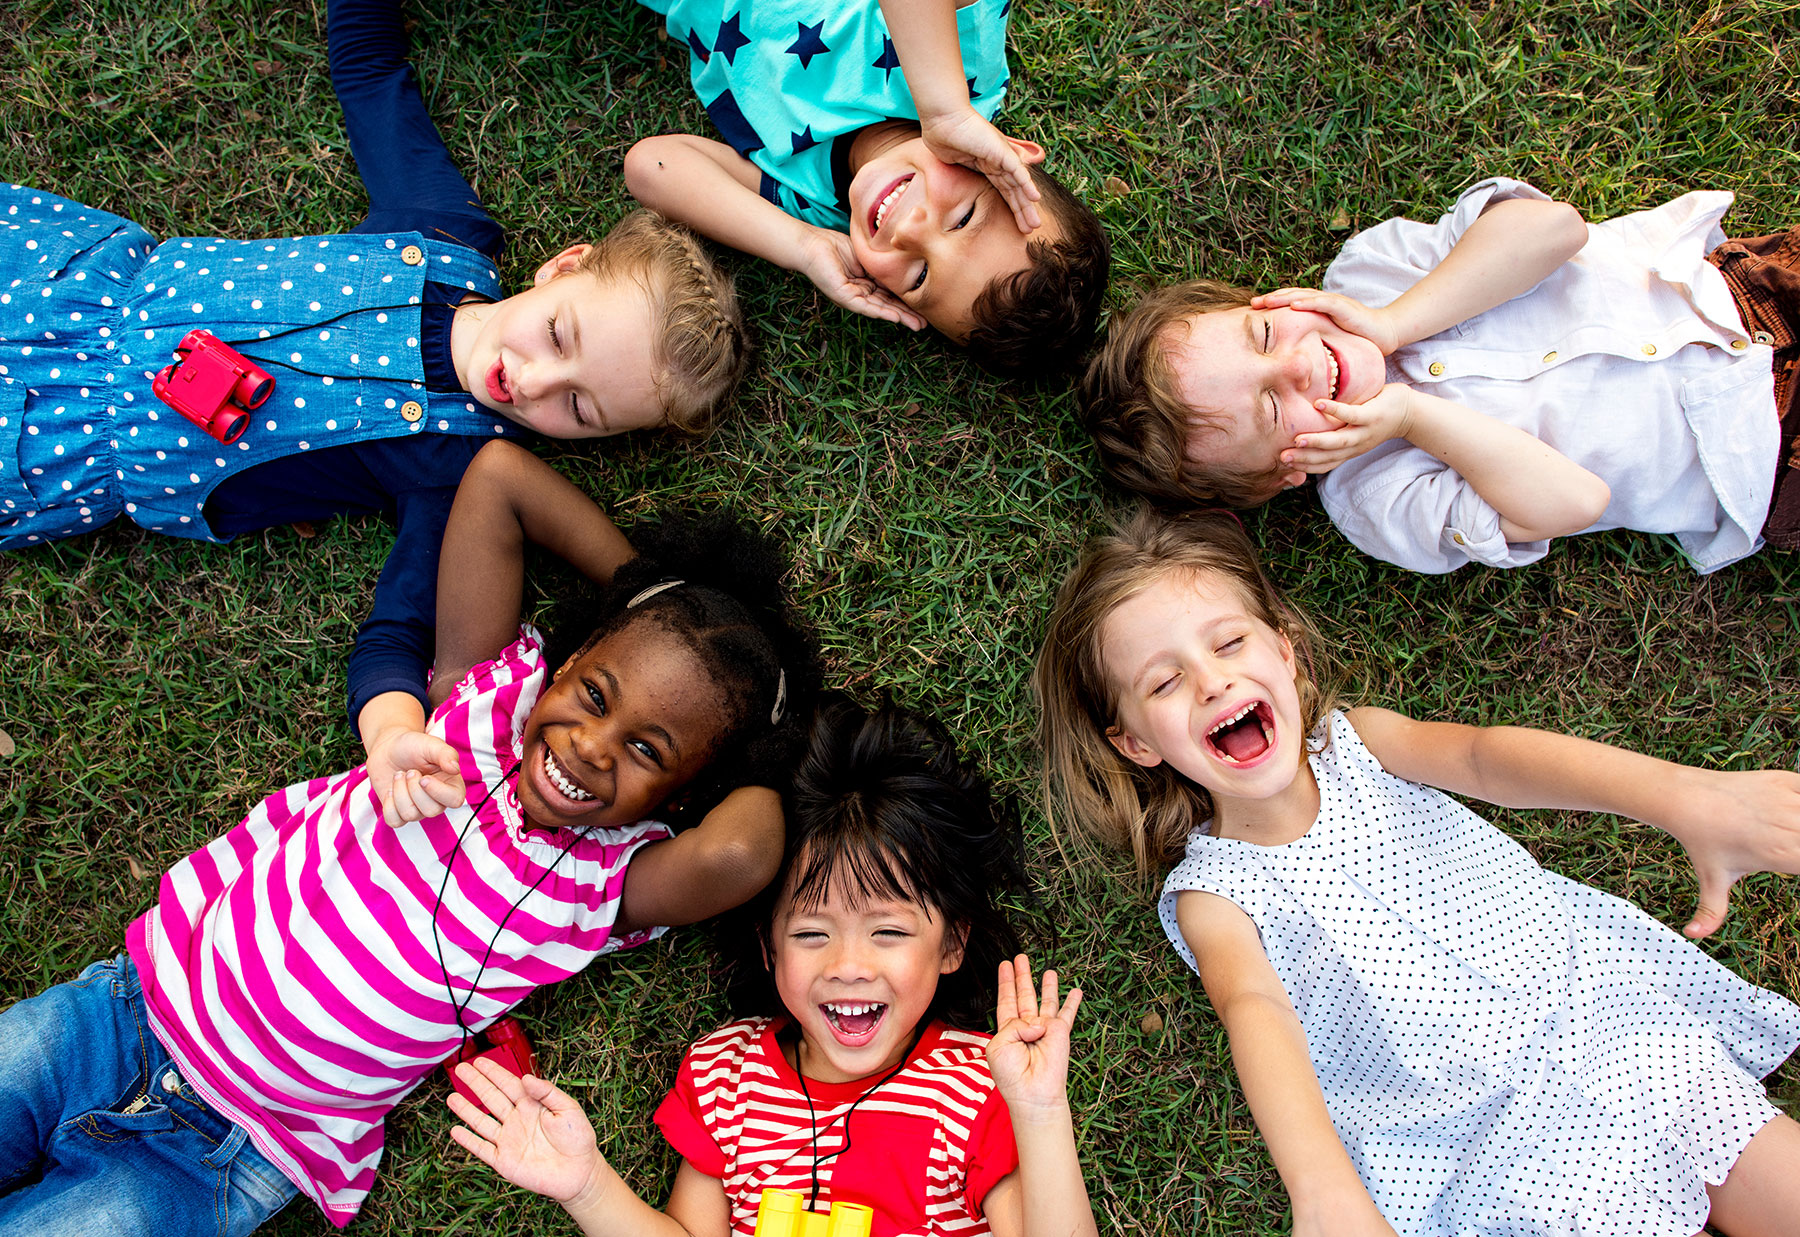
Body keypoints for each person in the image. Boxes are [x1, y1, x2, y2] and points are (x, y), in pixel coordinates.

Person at [0, 440, 820, 1237]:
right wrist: (658, 600)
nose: (590, 745)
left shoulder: (607, 887)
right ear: (568, 665)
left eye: (648, 749)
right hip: (117, 1014)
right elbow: (500, 479)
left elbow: (745, 848)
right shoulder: (475, 704)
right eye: (596, 695)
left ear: (682, 798)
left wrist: (776, 733)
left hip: (227, 1153)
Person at [1034, 508, 1800, 1237]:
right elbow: (1255, 1010)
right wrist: (1324, 1193)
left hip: (1610, 1024)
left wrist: (1684, 797)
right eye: (1164, 681)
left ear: (1286, 652)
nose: (1211, 679)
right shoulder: (1214, 895)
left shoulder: (1361, 743)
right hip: (1510, 1151)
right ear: (1134, 742)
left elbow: (1486, 755)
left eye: (1229, 642)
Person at [0, 0, 750, 758]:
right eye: (558, 332)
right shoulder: (442, 230)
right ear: (565, 265)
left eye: (579, 408)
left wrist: (391, 731)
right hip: (64, 283)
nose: (532, 380)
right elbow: (371, 75)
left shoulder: (454, 475)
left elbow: (396, 630)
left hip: (58, 440)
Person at [449, 697, 1103, 1237]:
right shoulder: (724, 1075)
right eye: (813, 932)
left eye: (889, 931)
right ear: (768, 947)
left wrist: (1040, 1111)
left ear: (953, 944)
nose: (849, 965)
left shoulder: (981, 1086)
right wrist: (588, 1183)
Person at [1080, 178, 1800, 574]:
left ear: (1267, 298)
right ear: (1282, 474)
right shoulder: (1376, 499)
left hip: (1740, 289)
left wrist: (1398, 323)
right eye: (1273, 407)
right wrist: (1412, 417)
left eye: (1263, 334)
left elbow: (1556, 230)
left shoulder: (1372, 271)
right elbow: (1577, 499)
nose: (1298, 362)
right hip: (1760, 457)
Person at [623, 0, 1109, 380]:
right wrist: (943, 108)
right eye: (962, 218)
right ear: (1008, 155)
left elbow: (651, 167)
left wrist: (804, 246)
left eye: (919, 277)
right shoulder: (964, 74)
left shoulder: (812, 205)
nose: (910, 233)